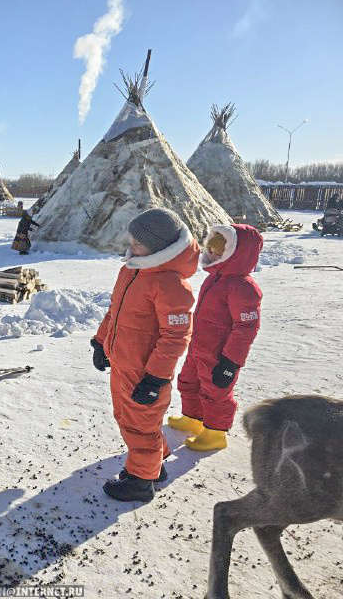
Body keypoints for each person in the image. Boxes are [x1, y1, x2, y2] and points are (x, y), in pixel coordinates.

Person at [91, 208, 199, 502]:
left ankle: (141, 482)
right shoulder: (131, 270)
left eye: (139, 243)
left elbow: (175, 336)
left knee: (140, 426)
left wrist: (156, 378)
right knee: (127, 418)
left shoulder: (170, 283)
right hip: (123, 363)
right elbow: (115, 310)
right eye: (132, 240)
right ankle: (153, 465)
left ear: (161, 248)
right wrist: (101, 342)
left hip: (147, 372)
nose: (131, 246)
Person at [169, 224, 263, 451]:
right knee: (188, 382)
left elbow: (246, 328)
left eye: (220, 248)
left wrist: (230, 362)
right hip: (198, 347)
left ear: (237, 252)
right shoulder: (215, 278)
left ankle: (215, 432)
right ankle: (193, 417)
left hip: (221, 354)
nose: (212, 252)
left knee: (216, 391)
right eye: (211, 246)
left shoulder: (243, 287)